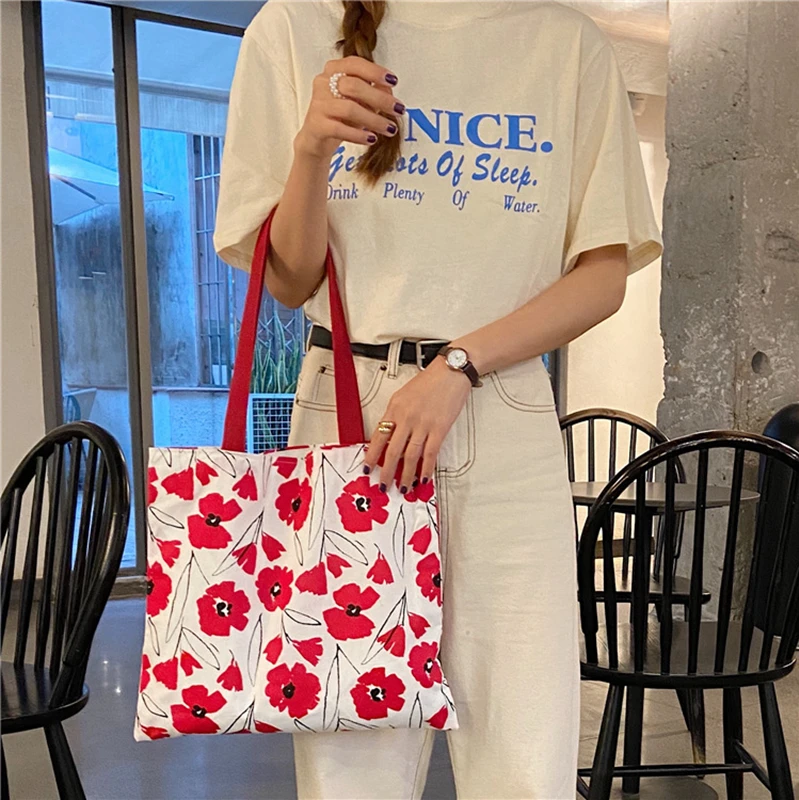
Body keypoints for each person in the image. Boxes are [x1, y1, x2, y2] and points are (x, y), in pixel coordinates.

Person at [213, 1, 663, 797]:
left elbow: (602, 274)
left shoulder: (565, 44)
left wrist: (458, 365)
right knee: (350, 763)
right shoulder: (290, 26)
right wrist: (312, 147)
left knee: (525, 756)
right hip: (346, 414)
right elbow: (289, 279)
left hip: (502, 404)